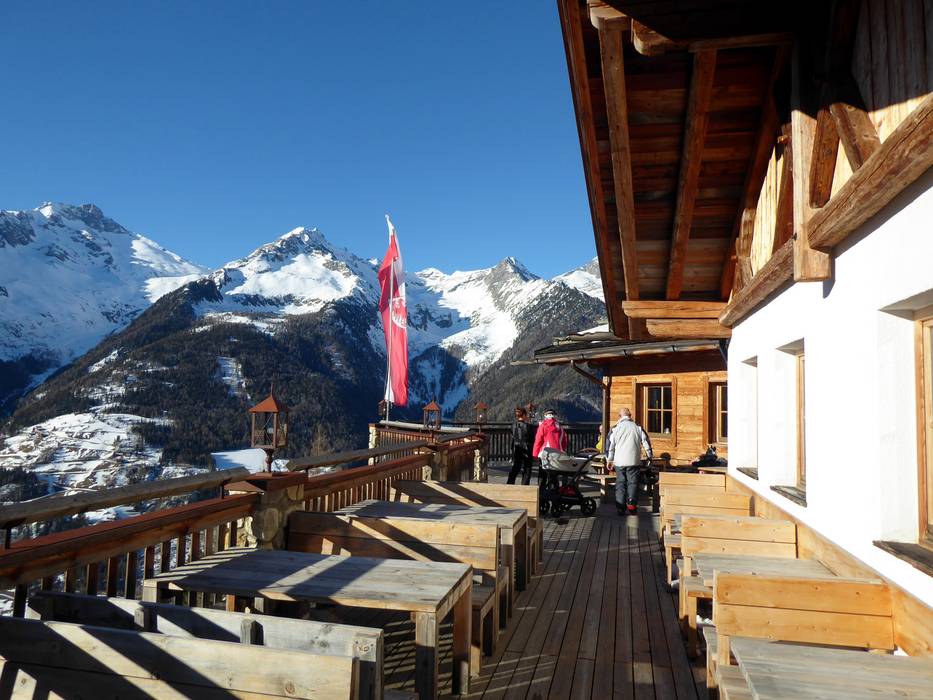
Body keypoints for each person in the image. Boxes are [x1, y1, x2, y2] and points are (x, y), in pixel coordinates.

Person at [606, 407, 653, 516]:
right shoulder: (637, 427)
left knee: (620, 483)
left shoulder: (615, 429)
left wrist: (609, 460)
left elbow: (610, 447)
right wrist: (649, 457)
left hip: (619, 462)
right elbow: (646, 442)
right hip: (633, 461)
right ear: (630, 416)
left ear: (620, 416)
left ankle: (620, 507)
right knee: (633, 483)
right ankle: (631, 503)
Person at [532, 408, 569, 499]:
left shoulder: (543, 425)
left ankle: (541, 494)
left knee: (543, 475)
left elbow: (538, 440)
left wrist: (535, 454)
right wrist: (562, 450)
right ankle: (554, 494)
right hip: (558, 454)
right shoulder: (559, 427)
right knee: (554, 475)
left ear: (545, 415)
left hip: (545, 453)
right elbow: (565, 441)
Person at [507, 406, 534, 485]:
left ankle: (509, 484)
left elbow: (513, 436)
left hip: (517, 448)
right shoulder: (528, 426)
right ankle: (524, 486)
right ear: (524, 415)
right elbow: (532, 438)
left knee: (516, 467)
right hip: (527, 448)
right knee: (527, 468)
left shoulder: (513, 426)